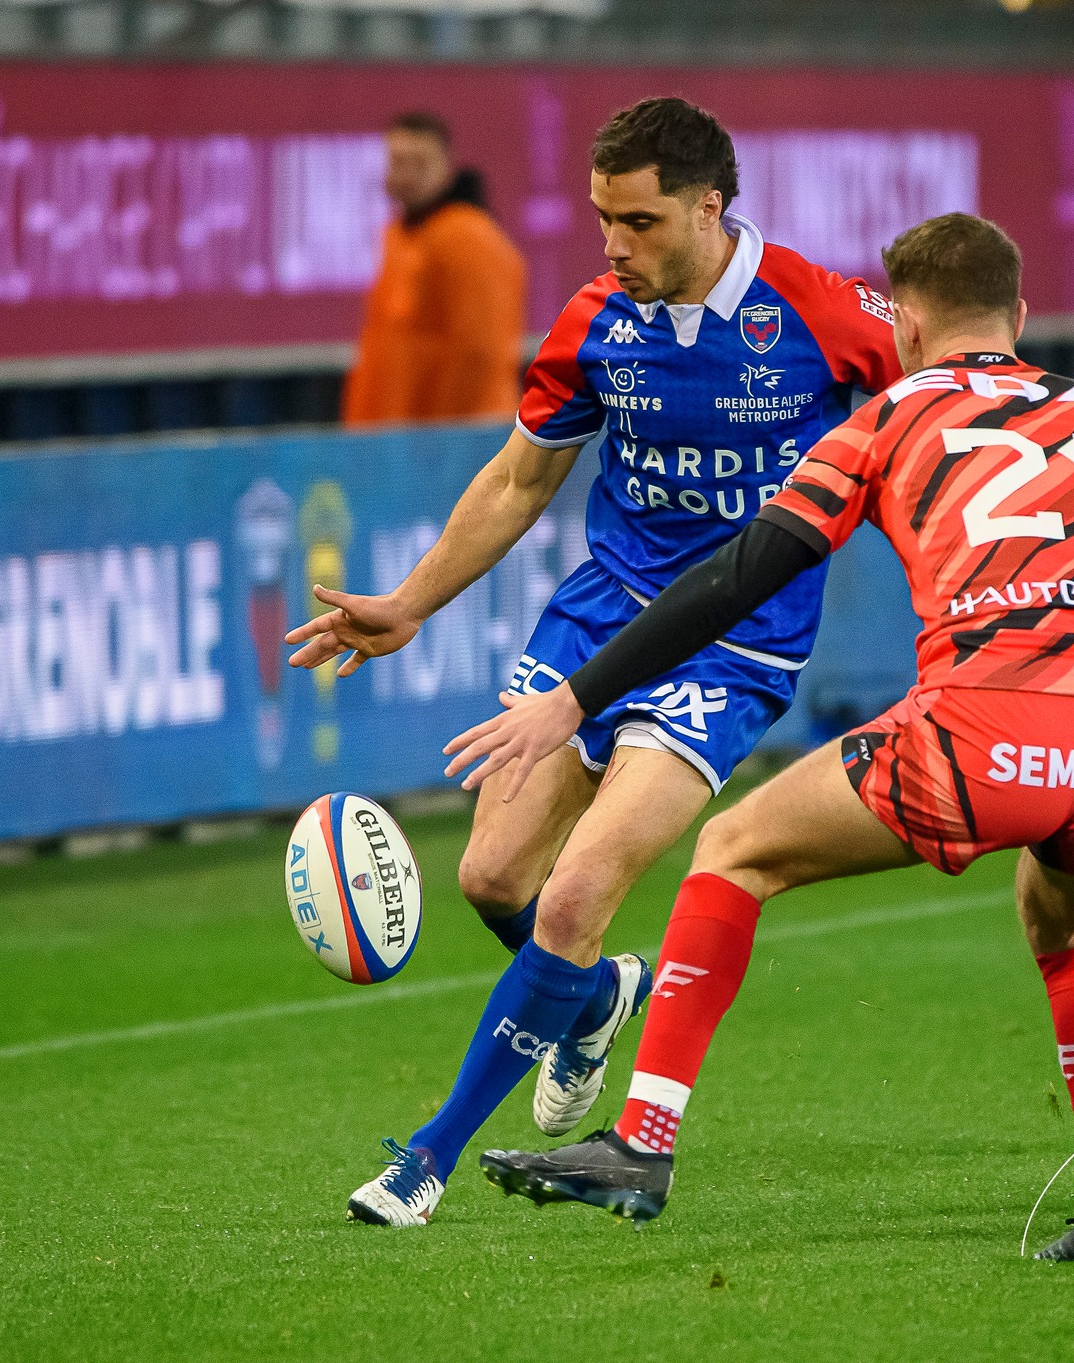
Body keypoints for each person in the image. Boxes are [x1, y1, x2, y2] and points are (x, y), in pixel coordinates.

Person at [457, 213, 1074, 1262]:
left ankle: (640, 1142)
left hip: (981, 735)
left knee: (730, 851)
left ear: (900, 323)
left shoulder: (887, 419)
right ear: (1019, 316)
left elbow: (734, 578)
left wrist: (578, 697)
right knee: (1064, 922)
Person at [286, 97, 905, 1226]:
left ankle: (423, 1162)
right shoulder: (592, 321)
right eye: (600, 218)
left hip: (734, 648)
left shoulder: (823, 313)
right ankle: (587, 1007)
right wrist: (410, 605)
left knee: (575, 894)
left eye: (638, 221)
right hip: (596, 622)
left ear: (709, 208)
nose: (612, 244)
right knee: (491, 881)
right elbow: (522, 481)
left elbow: (949, 388)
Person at [341, 112, 526, 428]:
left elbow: (479, 352)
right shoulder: (400, 235)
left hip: (453, 444)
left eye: (420, 163)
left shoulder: (467, 235)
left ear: (446, 167)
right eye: (399, 162)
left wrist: (444, 441)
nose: (408, 174)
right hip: (399, 441)